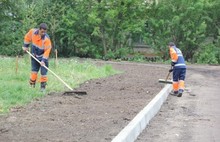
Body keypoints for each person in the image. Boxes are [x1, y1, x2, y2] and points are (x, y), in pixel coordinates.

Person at [22, 23, 52, 91]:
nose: (43, 33)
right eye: (42, 31)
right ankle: (32, 86)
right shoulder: (32, 32)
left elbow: (47, 51)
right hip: (34, 56)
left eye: (44, 32)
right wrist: (25, 46)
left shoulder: (46, 39)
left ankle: (42, 87)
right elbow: (27, 37)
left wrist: (43, 61)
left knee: (43, 73)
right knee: (34, 72)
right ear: (39, 29)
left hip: (43, 57)